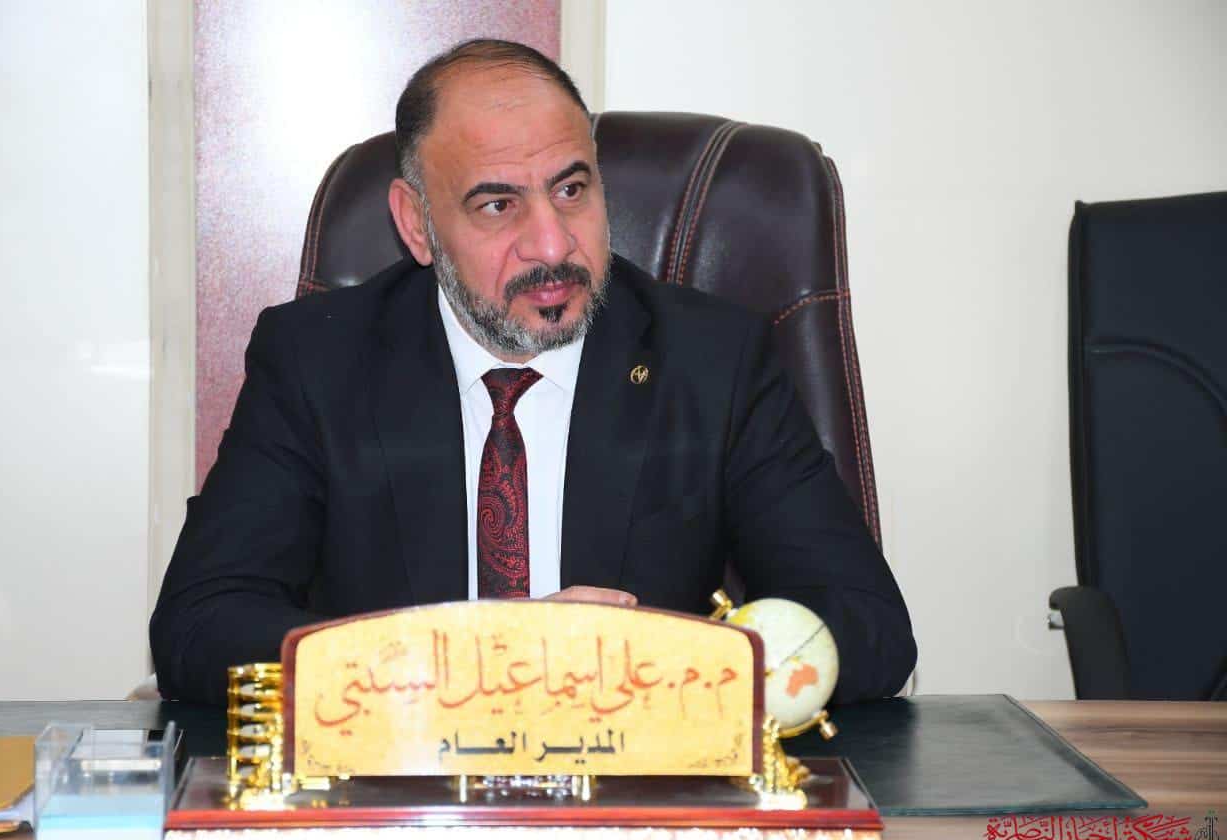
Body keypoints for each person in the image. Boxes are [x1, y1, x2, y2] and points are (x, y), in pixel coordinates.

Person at [150, 39, 916, 706]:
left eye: (572, 190)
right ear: (417, 224)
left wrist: (651, 664)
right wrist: (473, 662)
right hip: (404, 792)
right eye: (497, 206)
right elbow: (200, 625)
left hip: (637, 791)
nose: (552, 245)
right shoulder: (317, 362)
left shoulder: (713, 362)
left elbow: (868, 626)